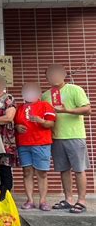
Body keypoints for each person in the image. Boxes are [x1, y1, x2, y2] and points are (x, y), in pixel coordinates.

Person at [42, 64, 91, 214]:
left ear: (63, 74)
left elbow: (87, 109)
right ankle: (68, 199)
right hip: (56, 137)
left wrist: (66, 110)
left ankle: (81, 200)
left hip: (75, 135)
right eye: (51, 74)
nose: (54, 76)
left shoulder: (75, 89)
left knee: (79, 169)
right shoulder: (46, 95)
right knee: (63, 170)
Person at [14, 83, 56, 211]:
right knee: (27, 172)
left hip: (41, 143)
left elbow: (51, 123)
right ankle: (30, 200)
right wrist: (17, 127)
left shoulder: (45, 105)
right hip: (24, 143)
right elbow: (15, 124)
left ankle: (43, 200)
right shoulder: (19, 108)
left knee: (42, 173)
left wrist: (41, 121)